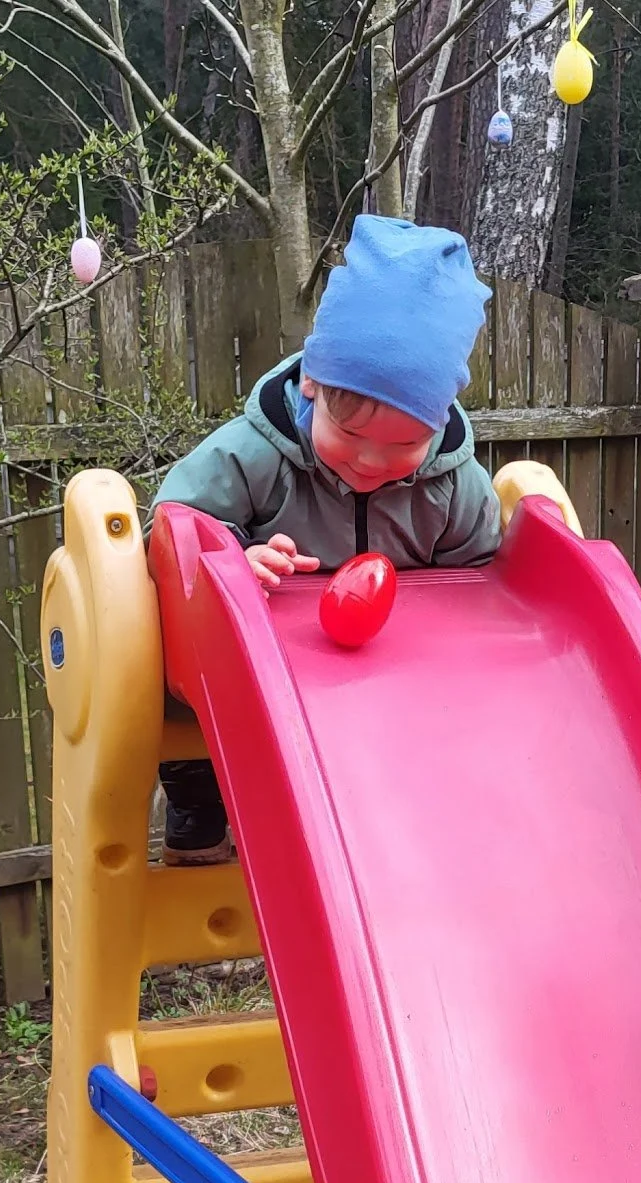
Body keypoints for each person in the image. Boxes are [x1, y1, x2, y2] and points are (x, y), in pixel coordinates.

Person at [150, 215, 501, 864]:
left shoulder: (455, 488)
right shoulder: (255, 453)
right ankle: (198, 792)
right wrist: (233, 558)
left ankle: (406, 803)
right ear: (311, 381)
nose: (369, 462)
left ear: (439, 422)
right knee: (176, 652)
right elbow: (176, 524)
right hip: (258, 668)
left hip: (385, 673)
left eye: (401, 446)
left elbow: (479, 582)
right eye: (349, 436)